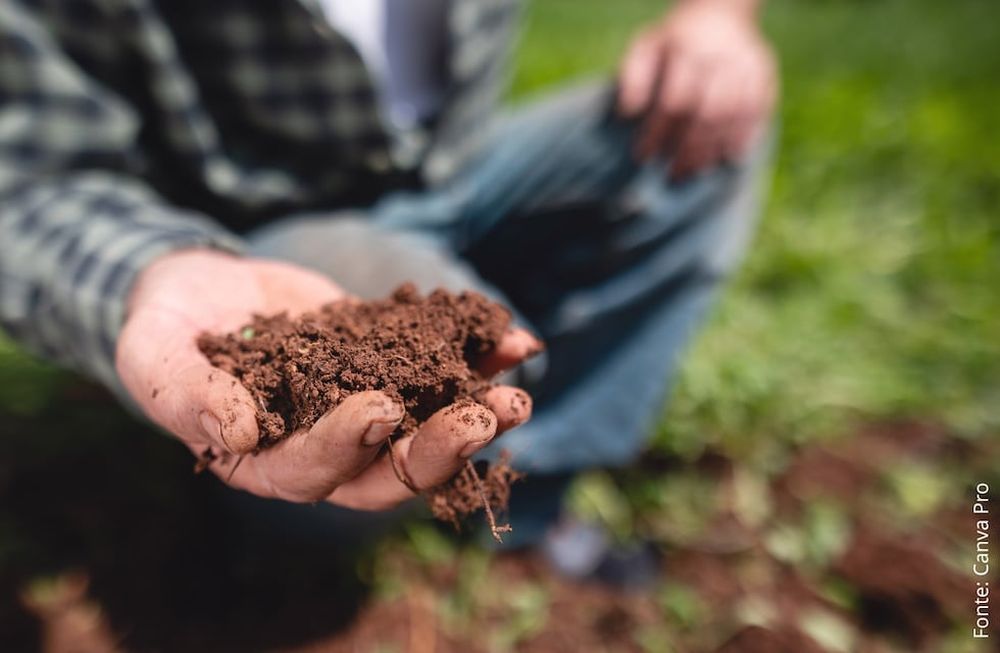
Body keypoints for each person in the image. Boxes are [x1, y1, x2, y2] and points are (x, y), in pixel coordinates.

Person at [0, 0, 776, 569]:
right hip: (259, 236)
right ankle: (269, 545)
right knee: (353, 452)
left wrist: (718, 19)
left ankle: (523, 498)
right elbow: (23, 182)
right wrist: (158, 267)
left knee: (705, 136)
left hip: (460, 166)